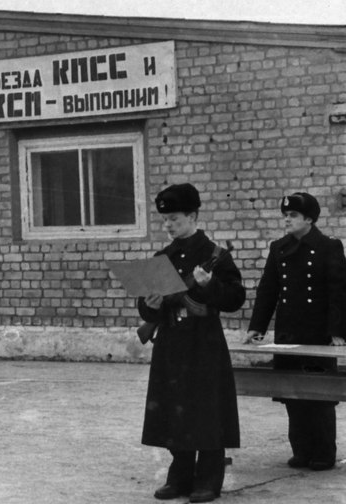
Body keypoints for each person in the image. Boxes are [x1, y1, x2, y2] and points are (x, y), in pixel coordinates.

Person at [138, 183, 245, 503]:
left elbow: (235, 299)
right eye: (165, 220)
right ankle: (180, 476)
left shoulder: (216, 256)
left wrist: (210, 286)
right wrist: (151, 306)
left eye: (175, 219)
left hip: (204, 342)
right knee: (175, 409)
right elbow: (146, 308)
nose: (168, 225)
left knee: (207, 410)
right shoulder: (163, 258)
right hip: (171, 342)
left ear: (193, 216)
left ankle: (209, 479)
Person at [244, 192, 345, 471]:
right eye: (285, 215)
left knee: (319, 394)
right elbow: (268, 290)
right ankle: (301, 450)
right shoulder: (279, 248)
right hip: (288, 332)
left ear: (309, 219)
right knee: (292, 391)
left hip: (318, 334)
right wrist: (256, 327)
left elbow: (338, 292)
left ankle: (323, 452)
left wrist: (337, 331)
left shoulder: (329, 246)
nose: (287, 220)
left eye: (293, 216)